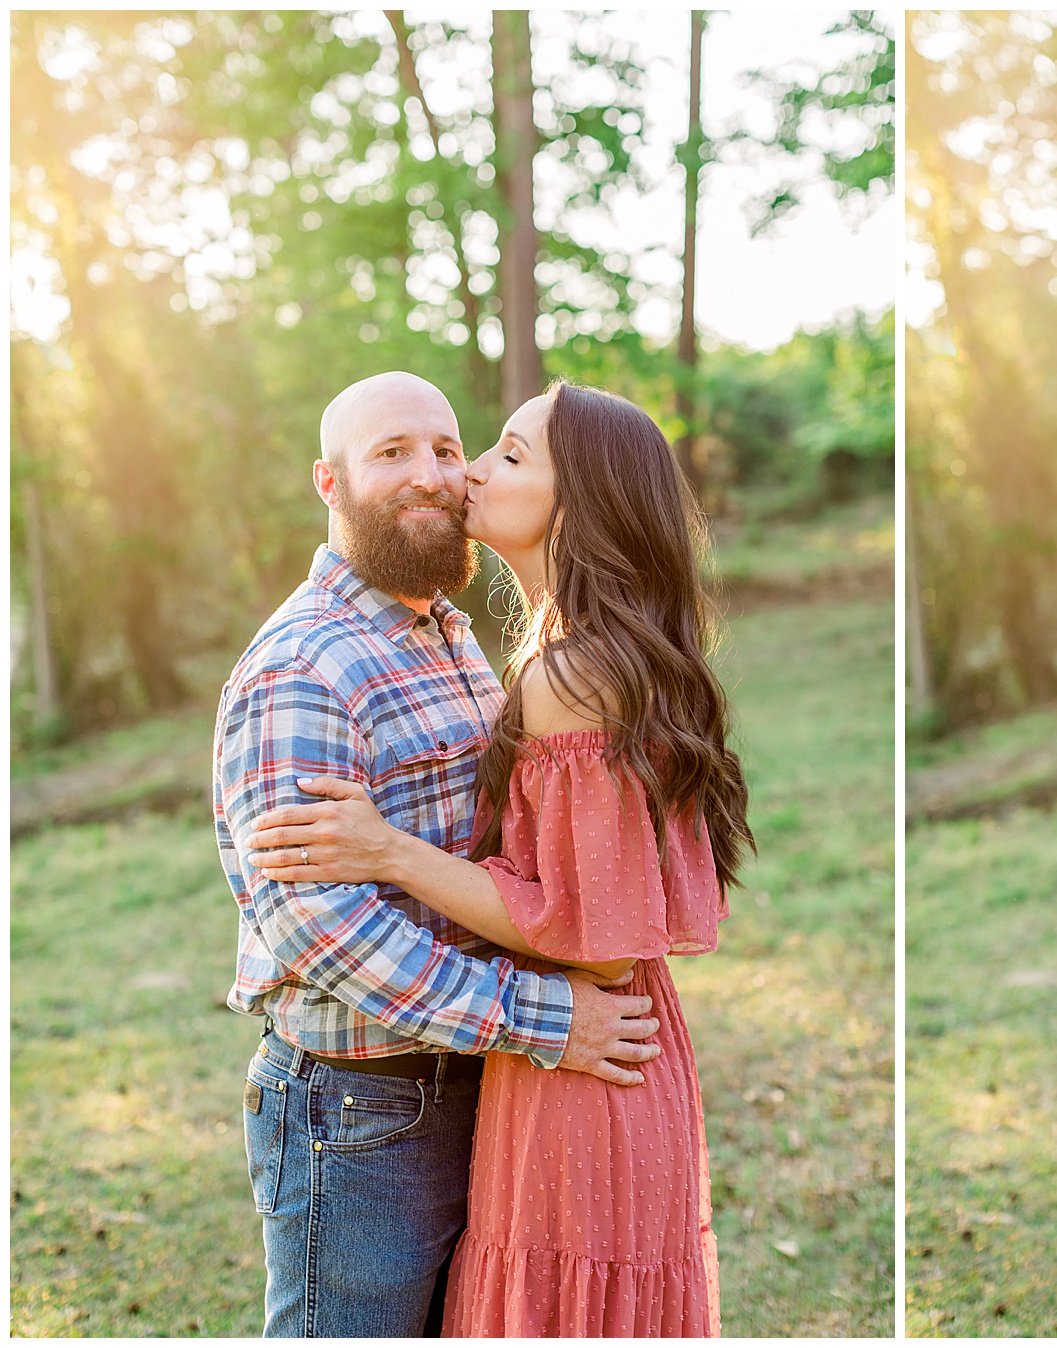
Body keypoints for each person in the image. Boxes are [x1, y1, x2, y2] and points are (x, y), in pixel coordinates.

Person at [244, 380, 752, 1336]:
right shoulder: (313, 664)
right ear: (330, 481)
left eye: (471, 449)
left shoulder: (523, 657)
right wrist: (535, 1017)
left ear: (583, 502)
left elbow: (594, 934)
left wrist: (389, 851)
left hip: (553, 1063)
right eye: (393, 451)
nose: (453, 472)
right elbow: (316, 925)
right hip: (384, 1098)